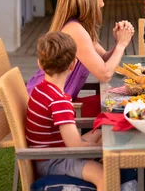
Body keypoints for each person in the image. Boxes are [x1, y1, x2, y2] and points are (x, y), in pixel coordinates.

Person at [26, 0, 134, 115]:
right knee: (119, 104)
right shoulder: (75, 31)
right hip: (48, 106)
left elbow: (104, 60)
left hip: (59, 101)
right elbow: (105, 74)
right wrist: (121, 45)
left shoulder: (80, 27)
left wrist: (118, 41)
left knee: (121, 101)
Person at [26, 32, 104, 190]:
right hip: (53, 160)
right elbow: (74, 145)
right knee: (104, 176)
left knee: (101, 132)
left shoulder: (39, 90)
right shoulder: (59, 101)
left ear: (40, 64)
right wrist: (103, 150)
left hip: (55, 151)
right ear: (73, 65)